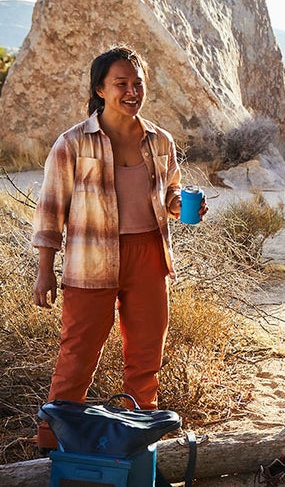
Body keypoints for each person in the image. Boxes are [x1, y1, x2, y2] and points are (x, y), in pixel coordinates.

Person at [31, 45, 205, 450]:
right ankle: (51, 444)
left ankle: (140, 439)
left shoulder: (160, 140)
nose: (132, 91)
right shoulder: (72, 143)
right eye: (121, 84)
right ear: (100, 90)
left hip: (149, 255)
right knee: (77, 353)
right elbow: (51, 208)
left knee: (145, 355)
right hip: (91, 259)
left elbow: (171, 189)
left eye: (137, 83)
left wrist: (180, 204)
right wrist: (45, 270)